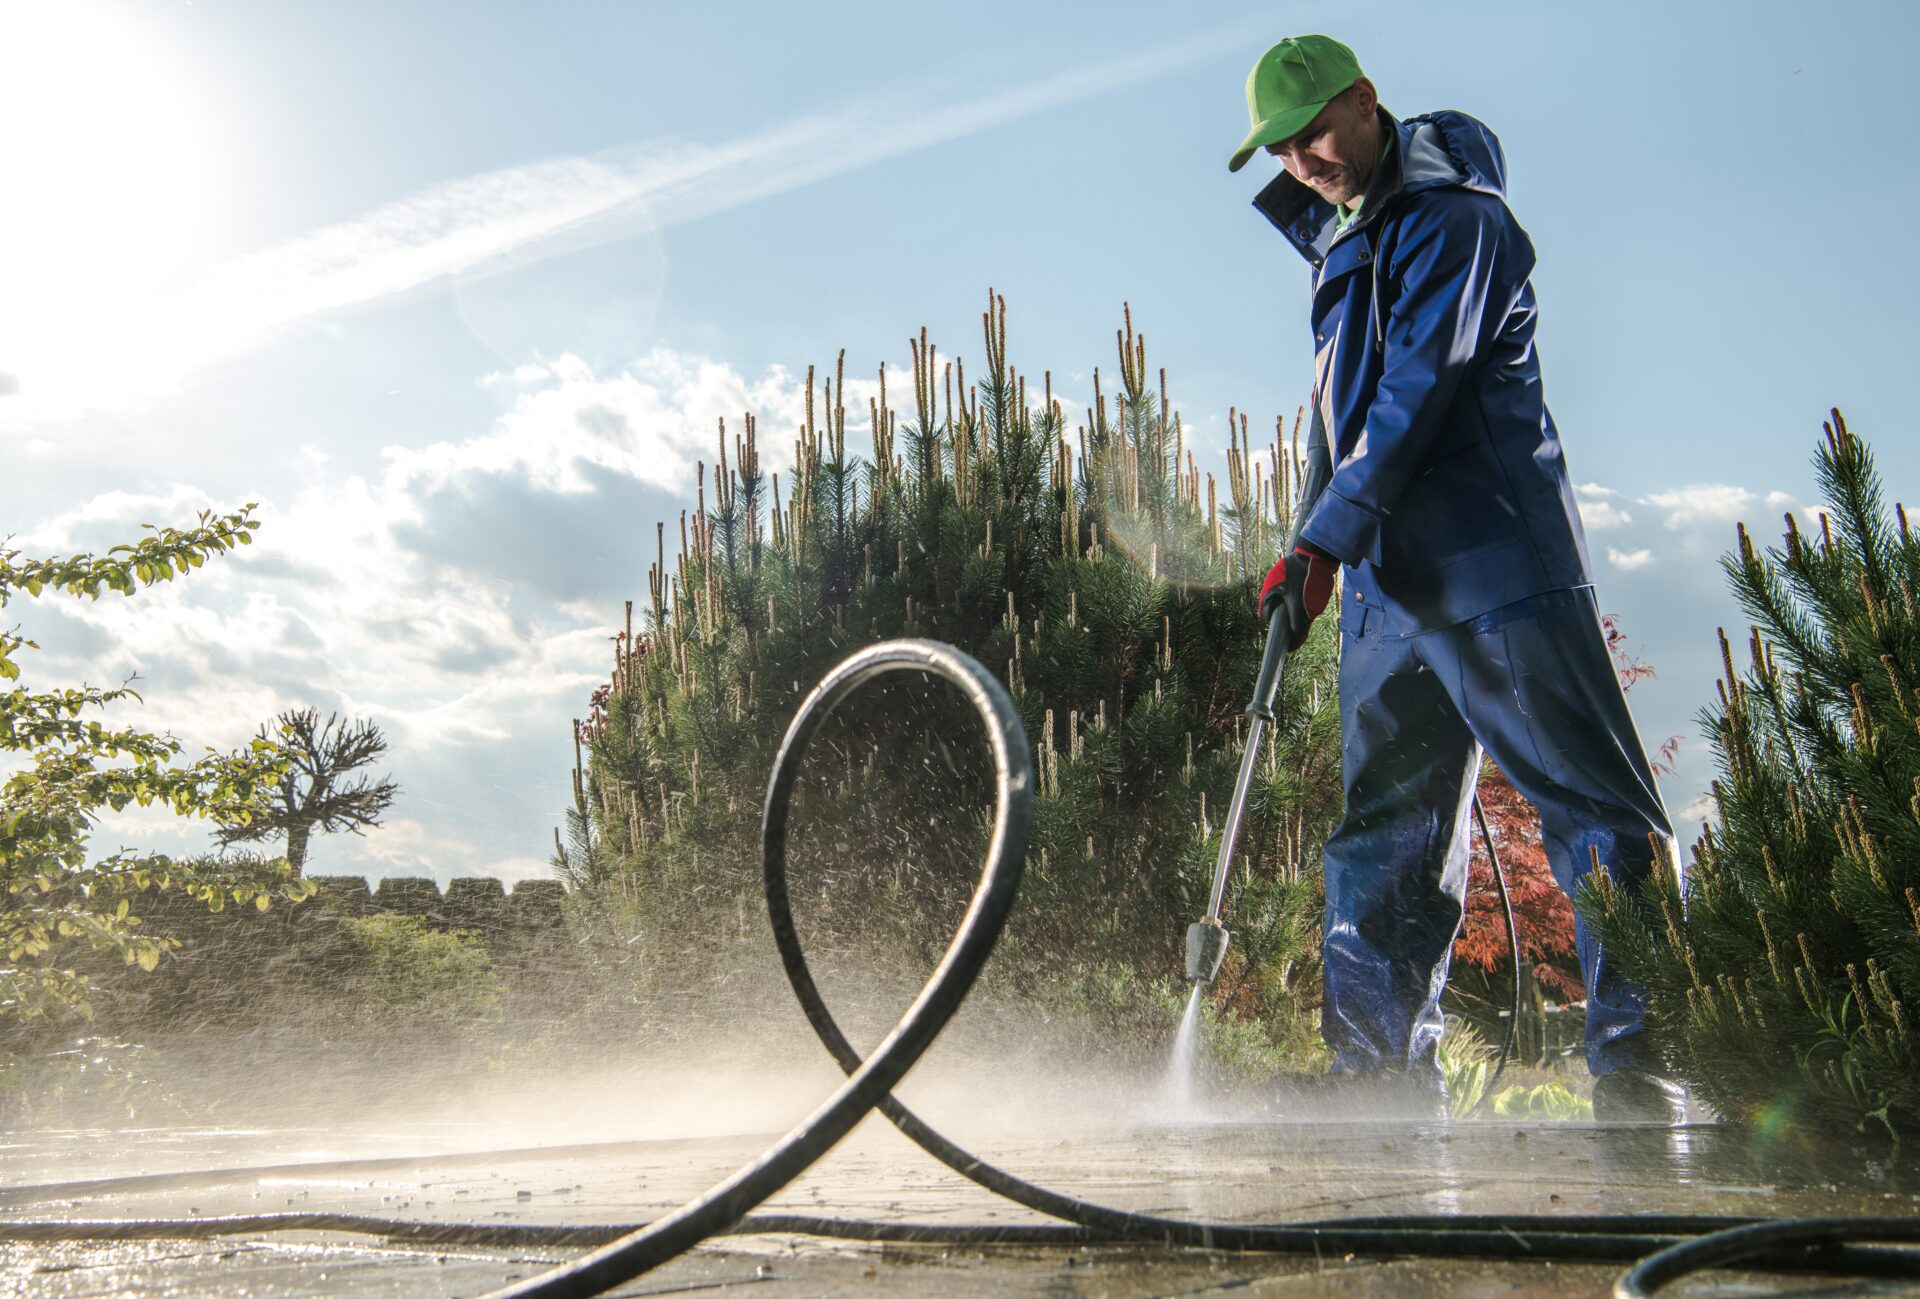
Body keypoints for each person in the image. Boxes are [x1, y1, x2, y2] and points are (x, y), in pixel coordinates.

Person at [1229, 35, 1684, 1123]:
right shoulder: (1343, 242)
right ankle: (1375, 1078)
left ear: (1365, 101)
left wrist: (1329, 538)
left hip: (1494, 565)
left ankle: (1643, 1068)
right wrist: (1308, 545)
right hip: (1389, 590)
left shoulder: (1457, 220)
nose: (1301, 162)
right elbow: (1337, 427)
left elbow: (1417, 394)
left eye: (1313, 134)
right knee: (1384, 836)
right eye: (1280, 150)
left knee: (1593, 809)